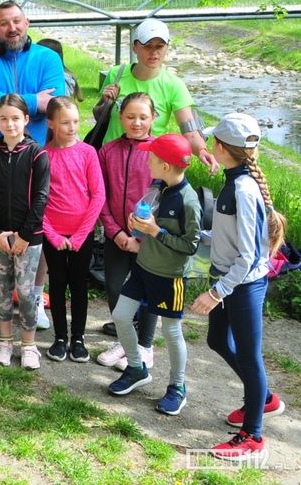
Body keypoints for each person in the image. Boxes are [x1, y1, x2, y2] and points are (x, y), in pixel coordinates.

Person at [190, 113, 286, 463]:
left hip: (243, 285)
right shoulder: (235, 179)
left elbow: (247, 256)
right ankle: (265, 398)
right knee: (217, 340)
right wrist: (199, 237)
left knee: (249, 356)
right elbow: (230, 238)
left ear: (220, 147)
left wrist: (216, 293)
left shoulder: (244, 189)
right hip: (231, 278)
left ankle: (253, 437)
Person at [0, 0, 62, 331]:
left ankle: (35, 296)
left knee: (37, 231)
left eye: (17, 21)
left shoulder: (48, 58)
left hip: (35, 156)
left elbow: (57, 101)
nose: (12, 28)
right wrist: (33, 101)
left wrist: (10, 101)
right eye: (4, 23)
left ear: (28, 22)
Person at [107, 133, 201, 419]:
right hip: (143, 267)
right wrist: (137, 225)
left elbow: (191, 245)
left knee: (171, 332)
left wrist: (155, 232)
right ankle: (136, 368)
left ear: (166, 166)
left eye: (151, 158)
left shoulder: (188, 201)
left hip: (170, 276)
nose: (146, 161)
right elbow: (146, 223)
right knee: (122, 316)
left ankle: (177, 387)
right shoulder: (157, 186)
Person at [0, 94, 50, 370]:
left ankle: (29, 345)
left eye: (15, 119)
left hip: (28, 239)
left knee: (27, 290)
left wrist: (24, 235)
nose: (10, 124)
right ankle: (5, 341)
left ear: (26, 120)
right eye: (4, 119)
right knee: (3, 290)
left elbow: (41, 198)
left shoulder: (37, 154)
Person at [98, 18, 216, 172]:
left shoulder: (174, 85)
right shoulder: (116, 74)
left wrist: (202, 151)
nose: (154, 52)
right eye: (148, 46)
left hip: (149, 165)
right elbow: (100, 117)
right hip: (111, 161)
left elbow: (190, 129)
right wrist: (105, 101)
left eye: (160, 46)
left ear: (167, 48)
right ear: (135, 47)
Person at [96, 93, 161, 371]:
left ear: (153, 119)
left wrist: (141, 237)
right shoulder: (108, 151)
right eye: (130, 117)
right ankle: (125, 340)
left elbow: (167, 197)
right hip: (116, 236)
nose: (136, 123)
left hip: (147, 239)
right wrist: (114, 232)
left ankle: (145, 347)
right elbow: (101, 196)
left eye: (143, 117)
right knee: (115, 288)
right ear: (120, 118)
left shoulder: (159, 152)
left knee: (147, 291)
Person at [42, 96, 104, 363]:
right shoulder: (43, 155)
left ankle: (78, 338)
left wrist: (80, 235)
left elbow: (98, 195)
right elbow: (38, 200)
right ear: (51, 123)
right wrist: (53, 235)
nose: (72, 127)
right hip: (53, 235)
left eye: (76, 122)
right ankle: (59, 337)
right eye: (65, 122)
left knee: (78, 285)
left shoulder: (87, 153)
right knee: (57, 283)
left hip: (82, 234)